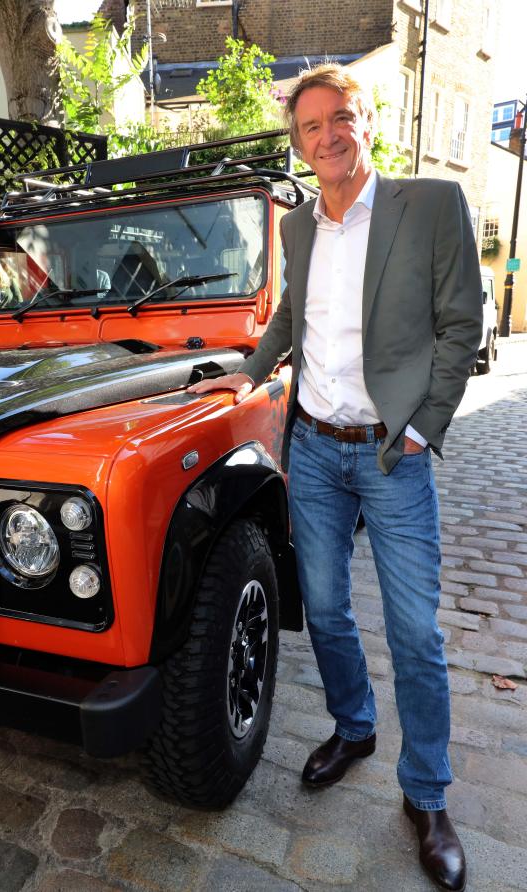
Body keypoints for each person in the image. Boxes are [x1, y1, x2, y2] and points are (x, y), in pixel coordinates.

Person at [188, 64, 481, 891]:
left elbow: (464, 324)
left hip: (392, 453)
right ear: (299, 142)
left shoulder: (429, 206)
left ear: (366, 122)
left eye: (341, 119)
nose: (328, 137)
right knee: (320, 607)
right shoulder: (299, 229)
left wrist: (424, 426)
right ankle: (355, 727)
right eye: (311, 128)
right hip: (312, 446)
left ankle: (427, 796)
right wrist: (248, 373)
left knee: (416, 632)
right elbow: (292, 318)